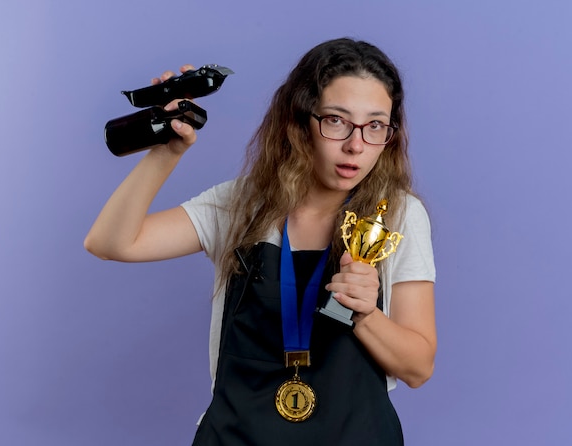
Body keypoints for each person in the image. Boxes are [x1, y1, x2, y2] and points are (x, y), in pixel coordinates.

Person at [85, 37, 436, 445]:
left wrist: (365, 314)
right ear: (299, 120)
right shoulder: (242, 204)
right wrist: (168, 150)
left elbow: (418, 367)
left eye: (375, 125)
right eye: (336, 120)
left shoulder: (396, 215)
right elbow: (109, 242)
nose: (355, 144)